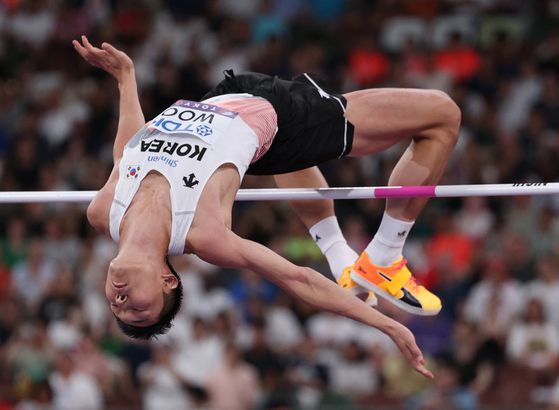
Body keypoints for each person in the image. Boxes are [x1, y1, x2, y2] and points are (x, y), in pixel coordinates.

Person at [74, 34, 460, 378]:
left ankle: (340, 255)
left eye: (117, 310)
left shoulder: (103, 211)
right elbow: (298, 280)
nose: (121, 303)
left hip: (222, 97)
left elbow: (127, 149)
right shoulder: (204, 235)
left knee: (285, 156)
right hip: (281, 117)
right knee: (441, 115)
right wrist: (388, 325)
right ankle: (385, 256)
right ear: (167, 280)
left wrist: (126, 78)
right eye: (138, 311)